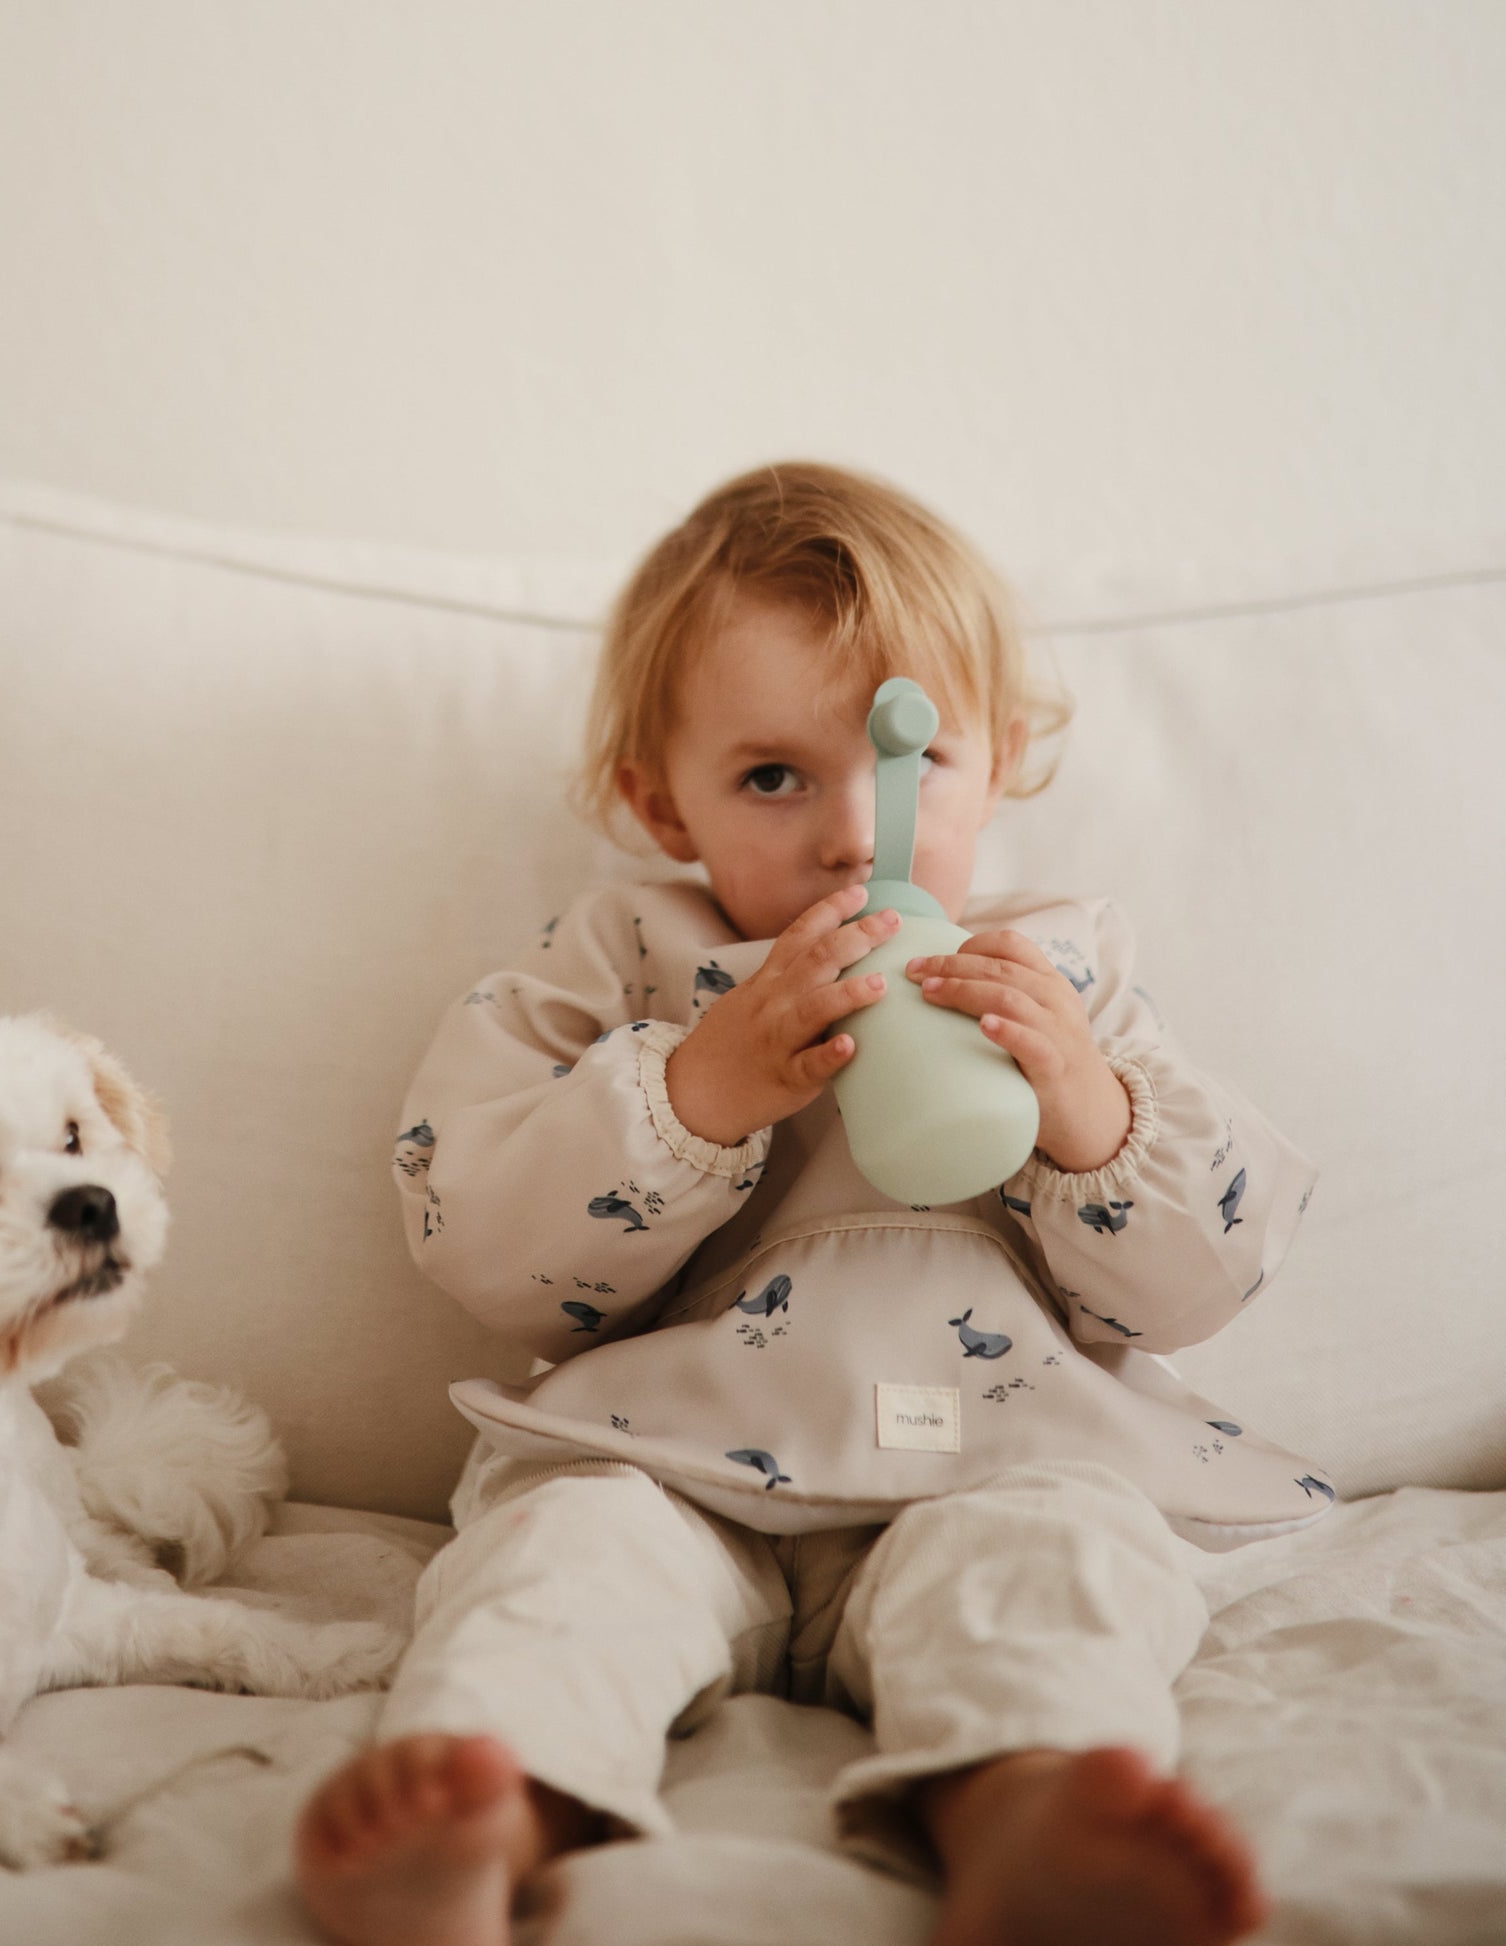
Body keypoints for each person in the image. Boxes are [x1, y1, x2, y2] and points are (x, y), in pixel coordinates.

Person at [296, 462, 1325, 1946]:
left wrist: (1086, 1115)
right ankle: (485, 1797)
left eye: (909, 768)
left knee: (1056, 1557)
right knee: (563, 1560)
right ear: (662, 800)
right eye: (772, 776)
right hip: (667, 1461)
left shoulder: (1059, 972)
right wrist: (694, 1089)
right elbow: (473, 1227)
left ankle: (1032, 1802)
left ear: (1005, 756)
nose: (853, 837)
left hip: (986, 1459)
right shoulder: (618, 960)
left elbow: (1203, 1277)